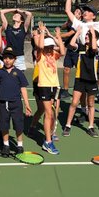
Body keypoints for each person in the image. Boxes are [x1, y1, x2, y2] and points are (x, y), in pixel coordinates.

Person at [0, 47, 32, 157]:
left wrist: (27, 104)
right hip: (3, 104)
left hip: (16, 104)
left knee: (18, 126)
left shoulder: (18, 73)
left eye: (10, 58)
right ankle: (6, 146)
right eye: (5, 58)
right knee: (4, 126)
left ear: (15, 59)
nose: (7, 60)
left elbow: (23, 89)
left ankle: (19, 146)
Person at [32, 22, 65, 154]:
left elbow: (62, 51)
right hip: (44, 85)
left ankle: (48, 136)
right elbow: (39, 45)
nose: (50, 48)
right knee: (48, 113)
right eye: (48, 46)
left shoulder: (53, 54)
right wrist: (41, 32)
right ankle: (48, 142)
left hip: (54, 85)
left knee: (51, 113)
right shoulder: (40, 54)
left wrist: (57, 36)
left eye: (51, 46)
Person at [62, 27, 99, 138]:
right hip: (80, 79)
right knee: (74, 103)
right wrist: (78, 32)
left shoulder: (98, 48)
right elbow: (71, 44)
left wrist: (92, 32)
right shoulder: (81, 47)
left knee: (91, 104)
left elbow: (93, 47)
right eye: (86, 34)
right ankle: (68, 125)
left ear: (95, 38)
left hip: (92, 80)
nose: (86, 36)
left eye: (89, 35)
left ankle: (91, 127)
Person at [60, 6, 82, 101]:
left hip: (78, 50)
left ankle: (95, 91)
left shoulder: (80, 24)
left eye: (78, 12)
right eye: (75, 11)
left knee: (81, 72)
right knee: (66, 69)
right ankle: (65, 90)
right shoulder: (70, 21)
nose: (75, 12)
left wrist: (55, 36)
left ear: (80, 16)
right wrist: (69, 20)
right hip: (69, 49)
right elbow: (63, 27)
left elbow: (69, 34)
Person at [0, 7, 33, 72]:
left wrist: (19, 10)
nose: (15, 15)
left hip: (19, 57)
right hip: (8, 57)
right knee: (7, 78)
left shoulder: (23, 28)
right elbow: (1, 12)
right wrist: (13, 10)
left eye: (17, 15)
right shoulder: (8, 27)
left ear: (22, 20)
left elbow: (29, 14)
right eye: (15, 14)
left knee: (19, 79)